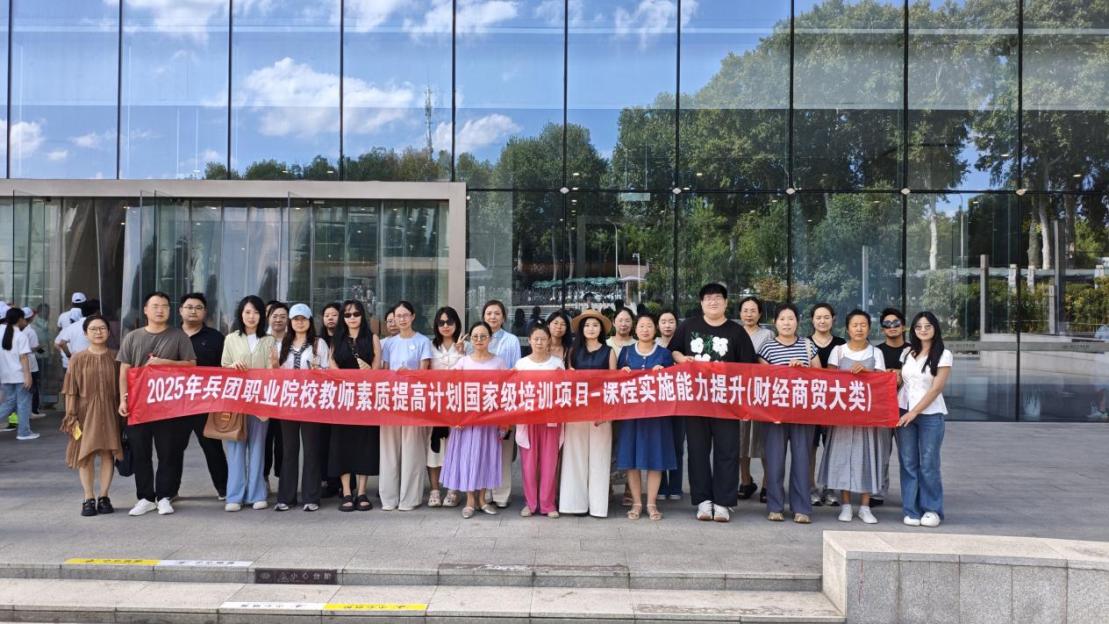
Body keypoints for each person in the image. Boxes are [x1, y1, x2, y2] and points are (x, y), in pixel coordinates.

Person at [669, 282, 757, 523]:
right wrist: (681, 358)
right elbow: (673, 350)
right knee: (697, 451)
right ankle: (703, 501)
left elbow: (749, 367)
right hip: (695, 401)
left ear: (726, 303)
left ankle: (723, 502)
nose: (713, 302)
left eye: (718, 298)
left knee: (727, 451)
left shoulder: (737, 332)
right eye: (708, 298)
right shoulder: (689, 326)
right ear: (701, 303)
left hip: (726, 403)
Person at [117, 292, 197, 516]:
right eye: (155, 306)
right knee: (140, 452)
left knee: (167, 452)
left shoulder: (179, 336)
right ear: (145, 310)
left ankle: (164, 496)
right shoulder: (132, 337)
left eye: (164, 306)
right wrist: (123, 398)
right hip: (138, 404)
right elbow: (124, 371)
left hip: (167, 405)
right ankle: (145, 497)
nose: (160, 310)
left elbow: (191, 365)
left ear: (170, 310)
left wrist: (165, 363)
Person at [818, 310, 890, 525]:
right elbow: (829, 380)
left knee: (867, 456)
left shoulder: (876, 353)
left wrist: (868, 373)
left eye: (863, 325)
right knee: (843, 458)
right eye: (855, 325)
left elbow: (883, 384)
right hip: (843, 415)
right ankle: (846, 505)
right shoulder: (838, 351)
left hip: (868, 416)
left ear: (869, 328)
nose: (859, 329)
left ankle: (865, 506)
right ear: (847, 329)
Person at [757, 303, 821, 524]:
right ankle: (775, 506)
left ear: (797, 322)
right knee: (774, 461)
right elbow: (762, 379)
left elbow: (821, 377)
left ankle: (802, 508)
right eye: (782, 319)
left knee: (802, 460)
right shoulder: (767, 348)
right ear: (775, 323)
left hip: (803, 412)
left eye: (791, 318)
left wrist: (803, 370)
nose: (786, 323)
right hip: (774, 413)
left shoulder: (808, 346)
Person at [616, 313, 676, 521]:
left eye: (649, 325)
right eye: (641, 326)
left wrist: (665, 373)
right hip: (631, 415)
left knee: (655, 458)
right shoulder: (625, 353)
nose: (645, 329)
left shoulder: (665, 354)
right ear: (635, 329)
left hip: (656, 416)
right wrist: (622, 373)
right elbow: (614, 383)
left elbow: (674, 384)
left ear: (655, 329)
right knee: (631, 459)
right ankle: (636, 502)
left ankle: (651, 503)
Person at [442, 321, 505, 519]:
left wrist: (503, 420)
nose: (479, 340)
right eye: (475, 336)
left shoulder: (499, 363)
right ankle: (470, 500)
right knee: (469, 458)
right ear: (471, 339)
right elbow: (452, 390)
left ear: (490, 339)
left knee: (486, 457)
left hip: (489, 421)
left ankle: (482, 499)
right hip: (467, 421)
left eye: (483, 336)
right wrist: (456, 416)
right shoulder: (463, 362)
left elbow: (506, 391)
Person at [60, 315, 121, 516]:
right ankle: (88, 498)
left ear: (108, 332)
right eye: (93, 329)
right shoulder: (77, 358)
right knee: (85, 455)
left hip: (110, 412)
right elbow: (70, 390)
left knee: (107, 454)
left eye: (102, 328)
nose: (98, 332)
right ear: (85, 334)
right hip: (84, 413)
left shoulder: (116, 357)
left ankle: (104, 496)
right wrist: (70, 416)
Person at [897, 311, 953, 528]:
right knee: (908, 463)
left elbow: (936, 388)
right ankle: (911, 510)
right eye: (918, 326)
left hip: (930, 415)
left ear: (935, 328)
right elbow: (902, 382)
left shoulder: (944, 354)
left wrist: (915, 412)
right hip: (904, 413)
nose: (923, 330)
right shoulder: (907, 353)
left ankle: (932, 509)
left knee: (929, 463)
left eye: (927, 326)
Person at [220, 295, 275, 512]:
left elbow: (273, 371)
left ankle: (256, 494)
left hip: (260, 401)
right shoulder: (231, 339)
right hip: (237, 400)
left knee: (258, 448)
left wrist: (273, 366)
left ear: (262, 316)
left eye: (256, 312)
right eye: (247, 312)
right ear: (241, 314)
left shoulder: (269, 340)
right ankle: (234, 496)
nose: (251, 316)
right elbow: (223, 366)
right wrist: (233, 365)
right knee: (235, 448)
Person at [560, 309, 616, 518]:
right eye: (587, 325)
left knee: (600, 457)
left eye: (595, 325)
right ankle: (574, 504)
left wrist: (607, 413)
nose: (591, 329)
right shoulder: (573, 352)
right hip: (577, 410)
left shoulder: (609, 352)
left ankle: (598, 507)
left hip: (601, 412)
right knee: (574, 456)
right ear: (581, 329)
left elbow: (613, 383)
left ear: (601, 329)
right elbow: (569, 381)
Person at [274, 303, 329, 512]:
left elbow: (327, 371)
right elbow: (276, 373)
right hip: (288, 402)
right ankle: (286, 497)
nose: (299, 322)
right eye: (295, 319)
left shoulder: (318, 343)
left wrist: (317, 371)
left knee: (311, 450)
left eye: (303, 319)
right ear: (290, 322)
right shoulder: (282, 344)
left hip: (310, 401)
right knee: (289, 450)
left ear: (309, 321)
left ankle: (311, 497)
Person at [378, 300, 433, 511]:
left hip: (413, 401)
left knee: (412, 451)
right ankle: (389, 498)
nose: (401, 319)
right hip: (391, 400)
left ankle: (409, 499)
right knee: (389, 451)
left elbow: (424, 372)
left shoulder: (423, 341)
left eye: (405, 315)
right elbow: (384, 371)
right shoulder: (388, 344)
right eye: (397, 316)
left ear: (413, 316)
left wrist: (409, 374)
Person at [329, 299, 382, 512]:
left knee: (364, 444)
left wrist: (365, 376)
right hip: (343, 397)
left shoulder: (372, 338)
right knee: (342, 444)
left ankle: (361, 491)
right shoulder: (337, 338)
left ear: (363, 316)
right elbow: (332, 365)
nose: (352, 318)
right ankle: (346, 492)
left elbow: (377, 368)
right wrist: (348, 379)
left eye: (356, 314)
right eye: (348, 314)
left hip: (365, 398)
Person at [178, 293, 228, 501]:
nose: (193, 311)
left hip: (206, 402)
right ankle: (169, 491)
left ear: (205, 312)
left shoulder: (216, 338)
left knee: (212, 447)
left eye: (198, 307)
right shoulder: (170, 335)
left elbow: (224, 369)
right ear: (180, 310)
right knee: (173, 448)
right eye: (189, 307)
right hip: (175, 403)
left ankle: (224, 489)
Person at [515, 323, 565, 518]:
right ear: (529, 340)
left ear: (548, 341)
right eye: (535, 339)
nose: (539, 342)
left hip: (550, 419)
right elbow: (513, 391)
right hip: (527, 420)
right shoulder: (521, 364)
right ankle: (530, 503)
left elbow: (564, 390)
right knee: (528, 464)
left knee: (549, 462)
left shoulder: (557, 364)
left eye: (543, 339)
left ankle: (548, 504)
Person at [481, 300, 521, 508]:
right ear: (483, 316)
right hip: (481, 403)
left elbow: (515, 371)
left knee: (504, 449)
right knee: (484, 448)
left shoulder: (511, 340)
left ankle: (502, 494)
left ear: (504, 317)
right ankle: (485, 492)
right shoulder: (476, 337)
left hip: (504, 400)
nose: (493, 317)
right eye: (489, 313)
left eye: (497, 313)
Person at [808, 303, 845, 507]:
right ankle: (811, 488)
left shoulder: (841, 344)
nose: (822, 321)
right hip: (810, 404)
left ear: (833, 319)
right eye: (818, 317)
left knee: (832, 447)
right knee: (810, 447)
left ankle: (830, 488)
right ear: (812, 320)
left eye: (826, 317)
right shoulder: (804, 343)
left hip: (834, 403)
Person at [872, 307, 909, 506]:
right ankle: (877, 493)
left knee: (908, 454)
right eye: (887, 324)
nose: (892, 327)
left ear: (903, 326)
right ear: (882, 329)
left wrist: (900, 374)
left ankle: (911, 495)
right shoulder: (876, 352)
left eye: (896, 323)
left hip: (907, 409)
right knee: (881, 453)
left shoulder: (913, 350)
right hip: (883, 408)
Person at [737, 296, 773, 501]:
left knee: (764, 439)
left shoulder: (768, 335)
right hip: (739, 393)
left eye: (753, 310)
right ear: (740, 313)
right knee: (741, 439)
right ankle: (745, 480)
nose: (749, 314)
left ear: (760, 314)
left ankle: (768, 484)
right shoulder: (734, 332)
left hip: (761, 393)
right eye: (745, 310)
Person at [428, 306, 464, 508]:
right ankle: (434, 490)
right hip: (435, 404)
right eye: (441, 322)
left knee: (454, 447)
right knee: (433, 448)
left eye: (449, 322)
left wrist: (463, 353)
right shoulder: (430, 346)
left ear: (456, 323)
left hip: (458, 405)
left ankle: (452, 490)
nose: (445, 326)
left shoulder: (466, 345)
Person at [656, 310, 683, 501]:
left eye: (671, 321)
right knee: (658, 443)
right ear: (658, 325)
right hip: (657, 403)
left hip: (680, 402)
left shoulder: (683, 344)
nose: (667, 325)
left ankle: (675, 486)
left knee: (677, 445)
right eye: (663, 321)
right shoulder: (652, 344)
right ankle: (660, 486)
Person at [262, 301, 289, 491]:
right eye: (274, 316)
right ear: (268, 318)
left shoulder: (292, 340)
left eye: (282, 316)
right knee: (263, 440)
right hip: (264, 397)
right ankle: (263, 478)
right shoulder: (262, 340)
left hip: (286, 398)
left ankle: (283, 479)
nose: (278, 320)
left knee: (283, 441)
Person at [317, 302, 342, 498]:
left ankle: (345, 484)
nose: (330, 318)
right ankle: (328, 481)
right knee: (323, 441)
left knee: (340, 441)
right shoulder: (317, 341)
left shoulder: (345, 339)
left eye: (334, 314)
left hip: (342, 397)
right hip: (322, 398)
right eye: (327, 315)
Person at [1, 308, 37, 440]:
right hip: (20, 375)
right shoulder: (21, 336)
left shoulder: (1, 332)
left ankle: (24, 431)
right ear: (20, 319)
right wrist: (28, 376)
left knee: (10, 402)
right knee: (23, 404)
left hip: (5, 375)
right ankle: (24, 432)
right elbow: (23, 357)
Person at [56, 299, 100, 371]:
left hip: (75, 364)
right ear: (97, 312)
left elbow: (61, 343)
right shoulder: (97, 326)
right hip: (92, 365)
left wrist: (69, 356)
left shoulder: (71, 327)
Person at [18, 307, 44, 419]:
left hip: (20, 363)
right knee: (33, 388)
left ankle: (25, 412)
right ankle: (33, 411)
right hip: (30, 363)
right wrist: (40, 347)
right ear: (31, 318)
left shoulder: (16, 330)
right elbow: (33, 348)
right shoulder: (30, 331)